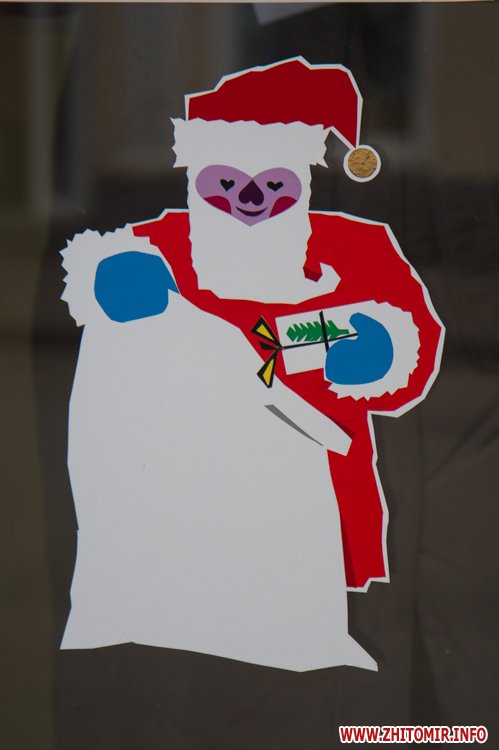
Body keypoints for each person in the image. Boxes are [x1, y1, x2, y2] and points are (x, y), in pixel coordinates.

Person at [60, 57, 443, 671]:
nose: (249, 200)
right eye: (227, 182)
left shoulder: (356, 246)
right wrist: (111, 281)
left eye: (273, 183)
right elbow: (100, 277)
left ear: (303, 179)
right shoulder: (163, 241)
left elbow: (410, 342)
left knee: (300, 646)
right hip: (178, 485)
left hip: (311, 491)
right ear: (196, 176)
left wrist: (382, 353)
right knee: (184, 642)